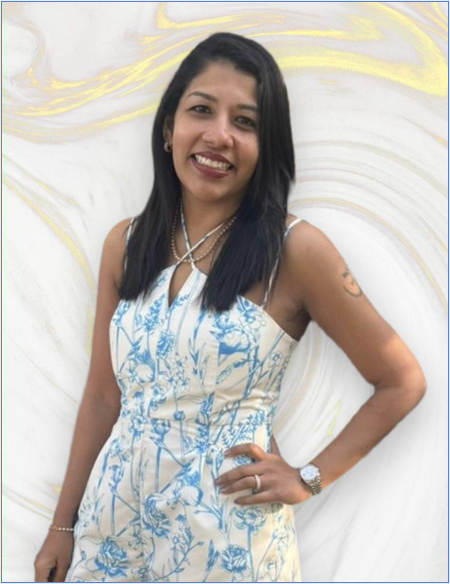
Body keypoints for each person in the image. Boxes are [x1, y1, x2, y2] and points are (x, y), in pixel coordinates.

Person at [34, 32, 427, 582]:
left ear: (267, 146)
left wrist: (309, 477)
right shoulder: (126, 244)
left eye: (245, 122)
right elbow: (103, 396)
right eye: (201, 110)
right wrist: (62, 525)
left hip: (225, 543)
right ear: (168, 128)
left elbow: (401, 380)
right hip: (114, 534)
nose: (219, 135)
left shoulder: (295, 250)